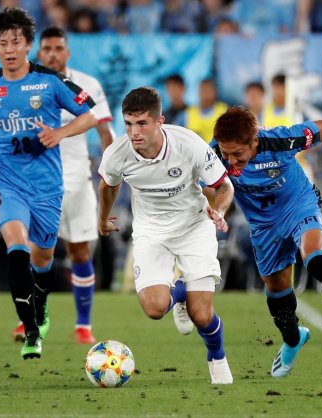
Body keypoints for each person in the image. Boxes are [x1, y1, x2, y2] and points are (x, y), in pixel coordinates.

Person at [0, 7, 97, 359]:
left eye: (16, 42)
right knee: (17, 249)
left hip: (46, 186)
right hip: (6, 183)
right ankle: (31, 330)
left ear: (29, 44)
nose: (10, 49)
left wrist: (59, 133)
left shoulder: (50, 81)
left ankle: (41, 306)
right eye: (2, 43)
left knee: (43, 258)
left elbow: (89, 115)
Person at [210, 106, 322, 378]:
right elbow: (211, 185)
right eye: (226, 153)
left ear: (255, 140)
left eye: (238, 154)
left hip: (299, 206)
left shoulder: (282, 140)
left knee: (315, 257)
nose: (231, 161)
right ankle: (292, 339)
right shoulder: (213, 154)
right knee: (276, 288)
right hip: (263, 225)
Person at [0, 26, 115, 345]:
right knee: (26, 250)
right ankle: (30, 318)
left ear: (68, 52)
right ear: (39, 52)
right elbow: (2, 138)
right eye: (47, 49)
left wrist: (112, 174)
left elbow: (104, 131)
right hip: (29, 182)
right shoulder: (21, 84)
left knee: (79, 251)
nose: (53, 54)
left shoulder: (87, 85)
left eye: (58, 48)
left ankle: (83, 325)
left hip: (76, 180)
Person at [98, 86, 234, 384]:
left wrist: (220, 210)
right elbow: (108, 185)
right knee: (154, 308)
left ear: (160, 121)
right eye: (128, 124)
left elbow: (224, 186)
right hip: (151, 232)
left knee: (201, 315)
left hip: (193, 227)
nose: (134, 132)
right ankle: (180, 293)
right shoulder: (117, 154)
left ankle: (217, 357)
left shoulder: (188, 144)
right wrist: (103, 218)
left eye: (142, 123)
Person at [183, 78, 227, 143]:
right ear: (199, 92)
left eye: (208, 90)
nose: (205, 94)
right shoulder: (187, 113)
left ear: (215, 92)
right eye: (203, 90)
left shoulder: (224, 111)